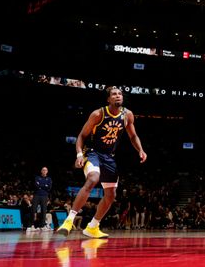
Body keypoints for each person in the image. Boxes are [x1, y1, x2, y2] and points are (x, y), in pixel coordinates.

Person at [56, 86, 147, 239]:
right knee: (92, 179)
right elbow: (81, 137)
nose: (118, 96)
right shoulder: (98, 114)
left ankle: (92, 227)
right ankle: (69, 220)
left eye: (120, 94)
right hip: (92, 152)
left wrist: (140, 150)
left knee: (111, 195)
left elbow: (133, 136)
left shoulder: (127, 115)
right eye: (114, 94)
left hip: (109, 157)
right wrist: (79, 154)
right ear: (108, 99)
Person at [33, 166, 53, 231]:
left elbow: (49, 187)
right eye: (43, 170)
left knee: (44, 211)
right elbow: (36, 186)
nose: (44, 171)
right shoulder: (37, 177)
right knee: (33, 210)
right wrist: (44, 186)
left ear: (47, 172)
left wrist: (41, 186)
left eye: (45, 170)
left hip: (44, 196)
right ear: (41, 171)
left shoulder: (49, 179)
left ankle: (42, 226)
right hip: (37, 195)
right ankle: (31, 225)